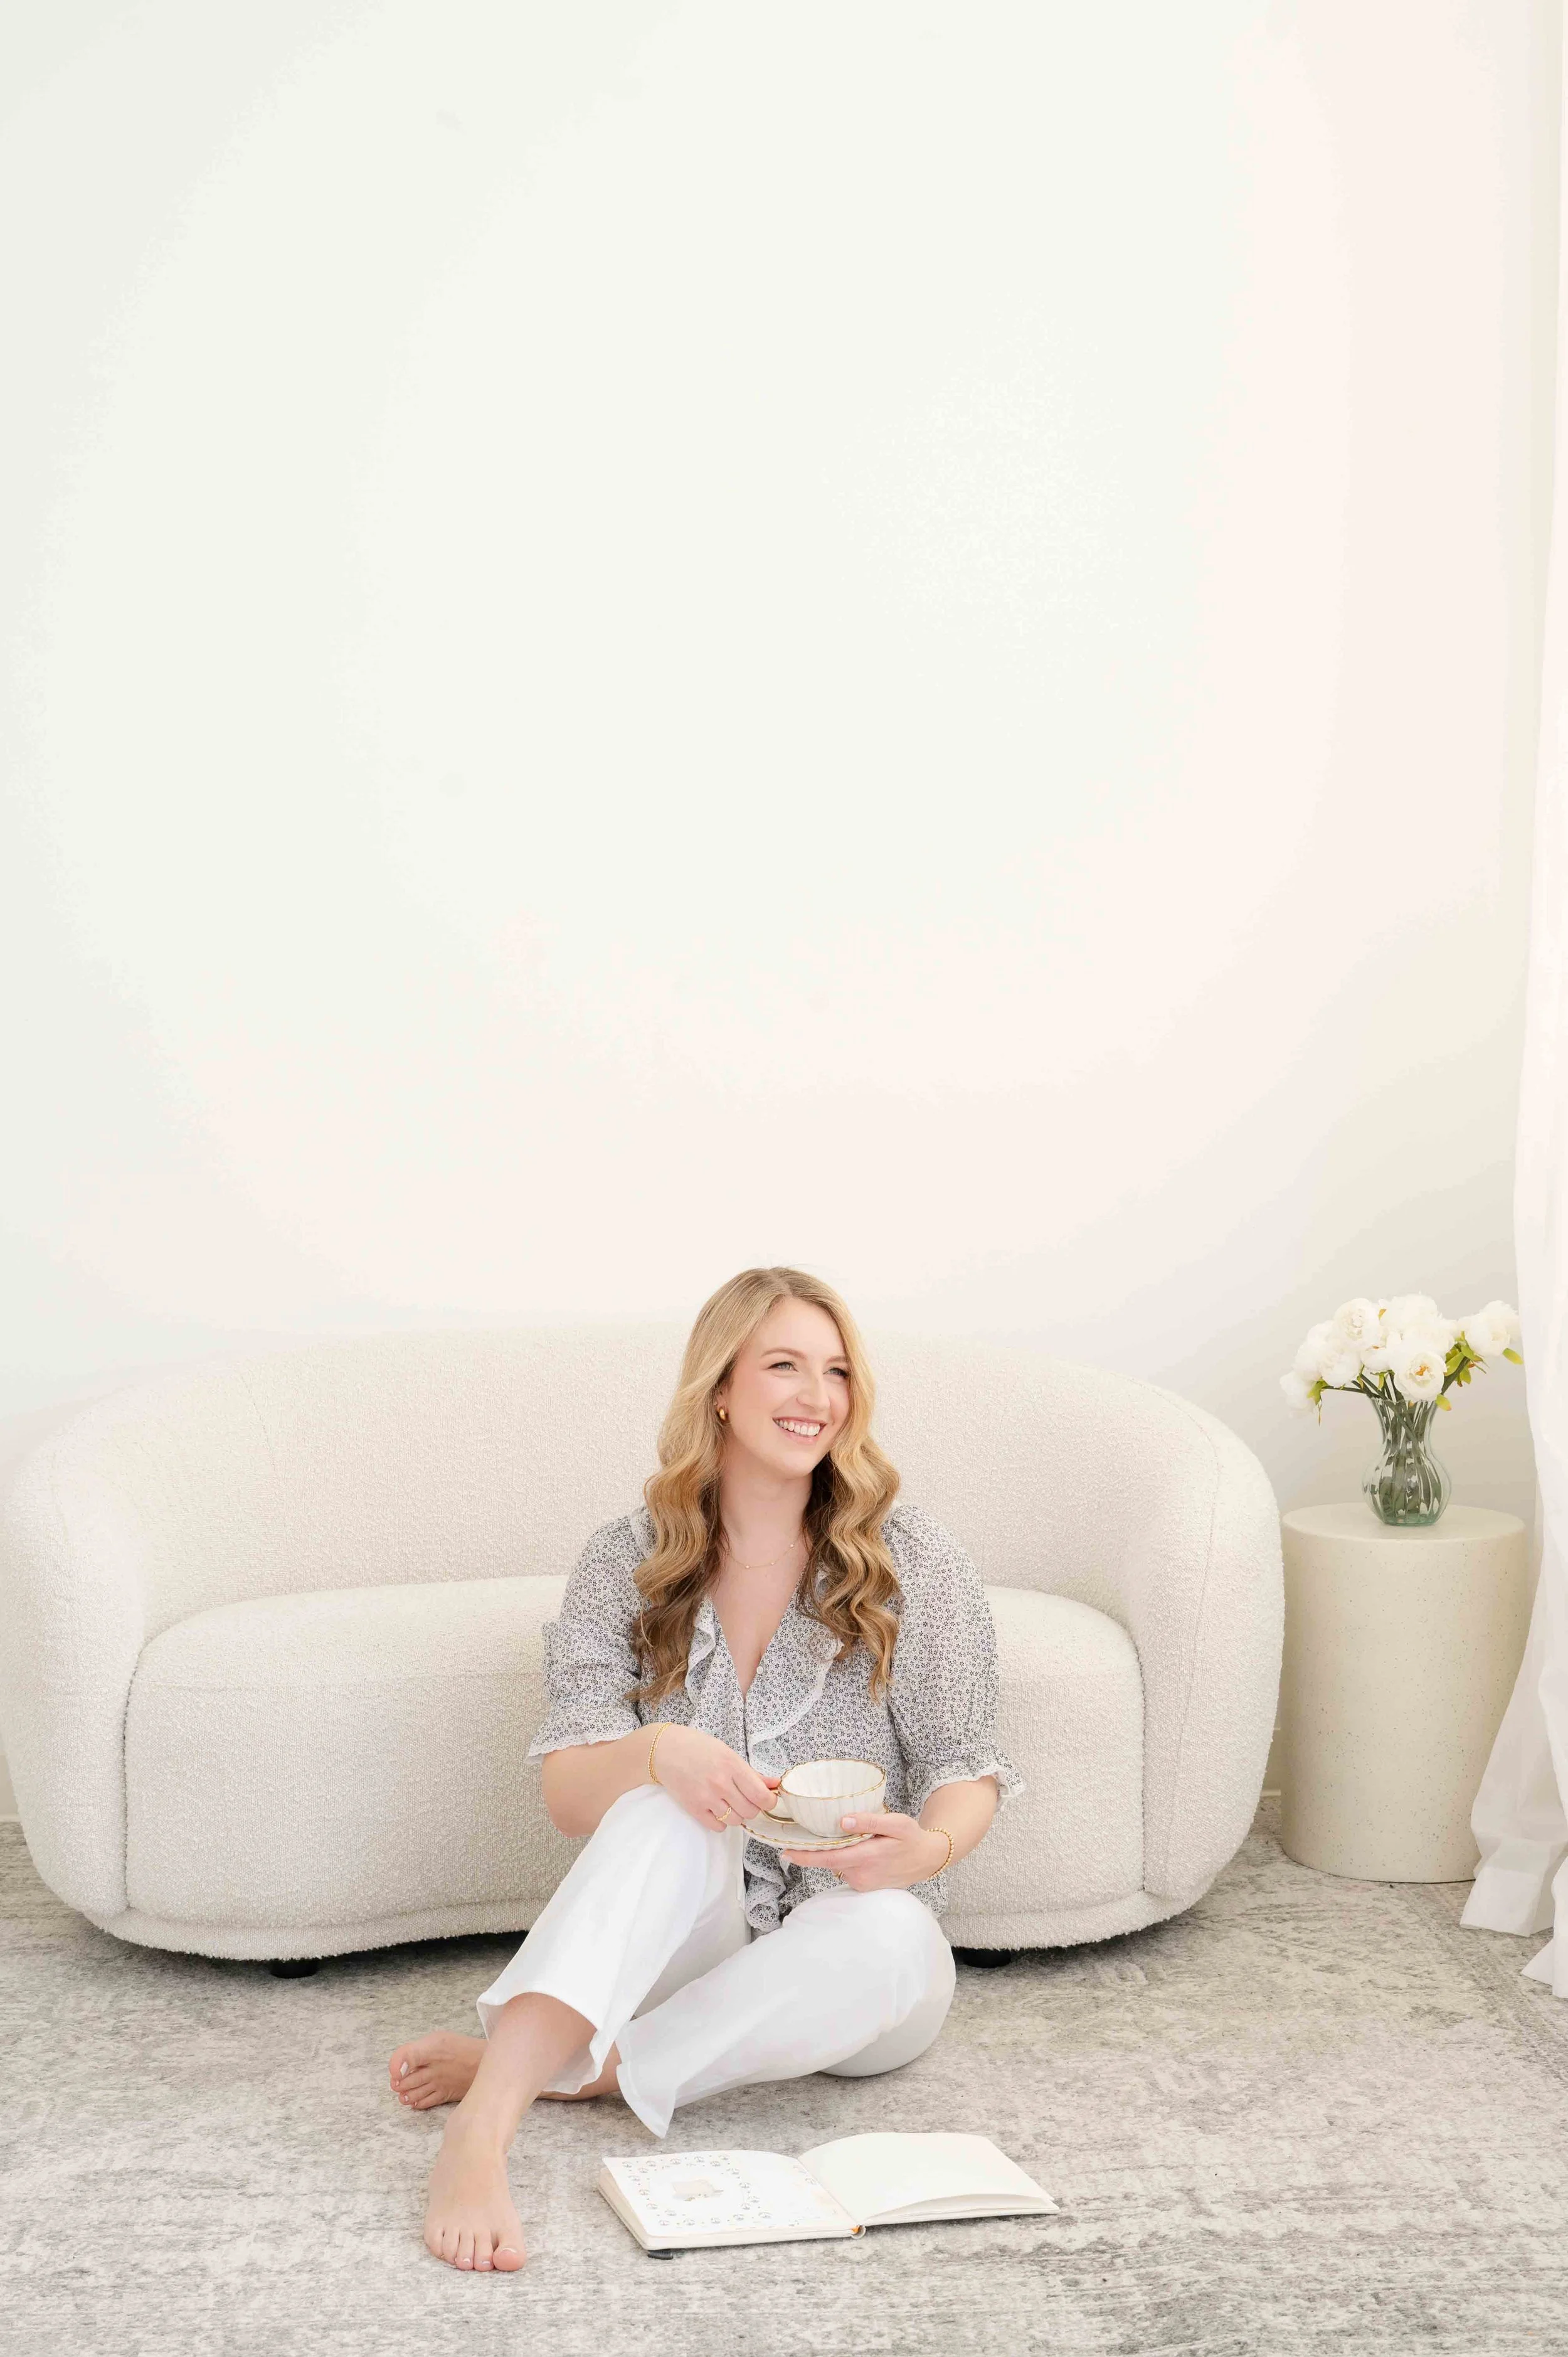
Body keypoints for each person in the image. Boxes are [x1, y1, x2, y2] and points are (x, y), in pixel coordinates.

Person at [387, 1265, 1023, 2272]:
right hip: (688, 1949)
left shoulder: (913, 1560)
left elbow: (963, 1763)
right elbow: (567, 1797)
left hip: (854, 1976)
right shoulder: (626, 1560)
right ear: (721, 1387)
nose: (817, 1397)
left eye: (838, 1372)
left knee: (894, 1931)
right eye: (784, 1366)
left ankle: (584, 2069)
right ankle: (482, 2130)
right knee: (659, 1808)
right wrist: (658, 1753)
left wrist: (927, 1850)